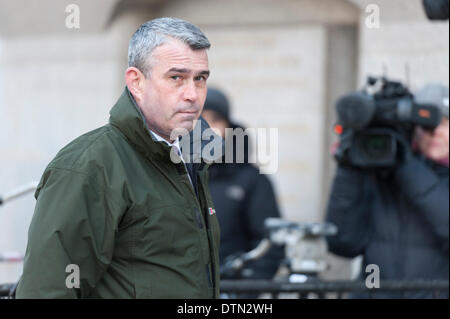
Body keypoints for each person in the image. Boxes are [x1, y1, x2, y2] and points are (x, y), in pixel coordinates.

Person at [16, 17, 223, 299]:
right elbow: (47, 291)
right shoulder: (89, 165)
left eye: (200, 78)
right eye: (176, 77)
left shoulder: (192, 155)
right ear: (136, 82)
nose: (192, 94)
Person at [326, 84, 449, 298]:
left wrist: (406, 167)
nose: (436, 132)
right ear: (413, 128)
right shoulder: (379, 171)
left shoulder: (404, 169)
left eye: (446, 123)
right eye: (427, 125)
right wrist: (349, 169)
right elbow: (342, 243)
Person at [201, 88, 284, 283]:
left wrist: (242, 294)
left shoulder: (252, 180)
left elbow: (269, 245)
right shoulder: (170, 174)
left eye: (214, 120)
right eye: (197, 120)